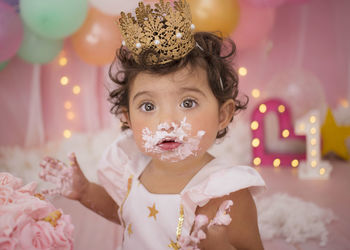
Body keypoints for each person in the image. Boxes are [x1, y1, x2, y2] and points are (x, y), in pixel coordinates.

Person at [39, 0, 266, 249]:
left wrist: (218, 244)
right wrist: (85, 192)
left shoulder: (225, 193)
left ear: (223, 114)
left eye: (188, 103)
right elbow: (126, 212)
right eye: (148, 107)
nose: (167, 122)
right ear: (127, 117)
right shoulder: (132, 168)